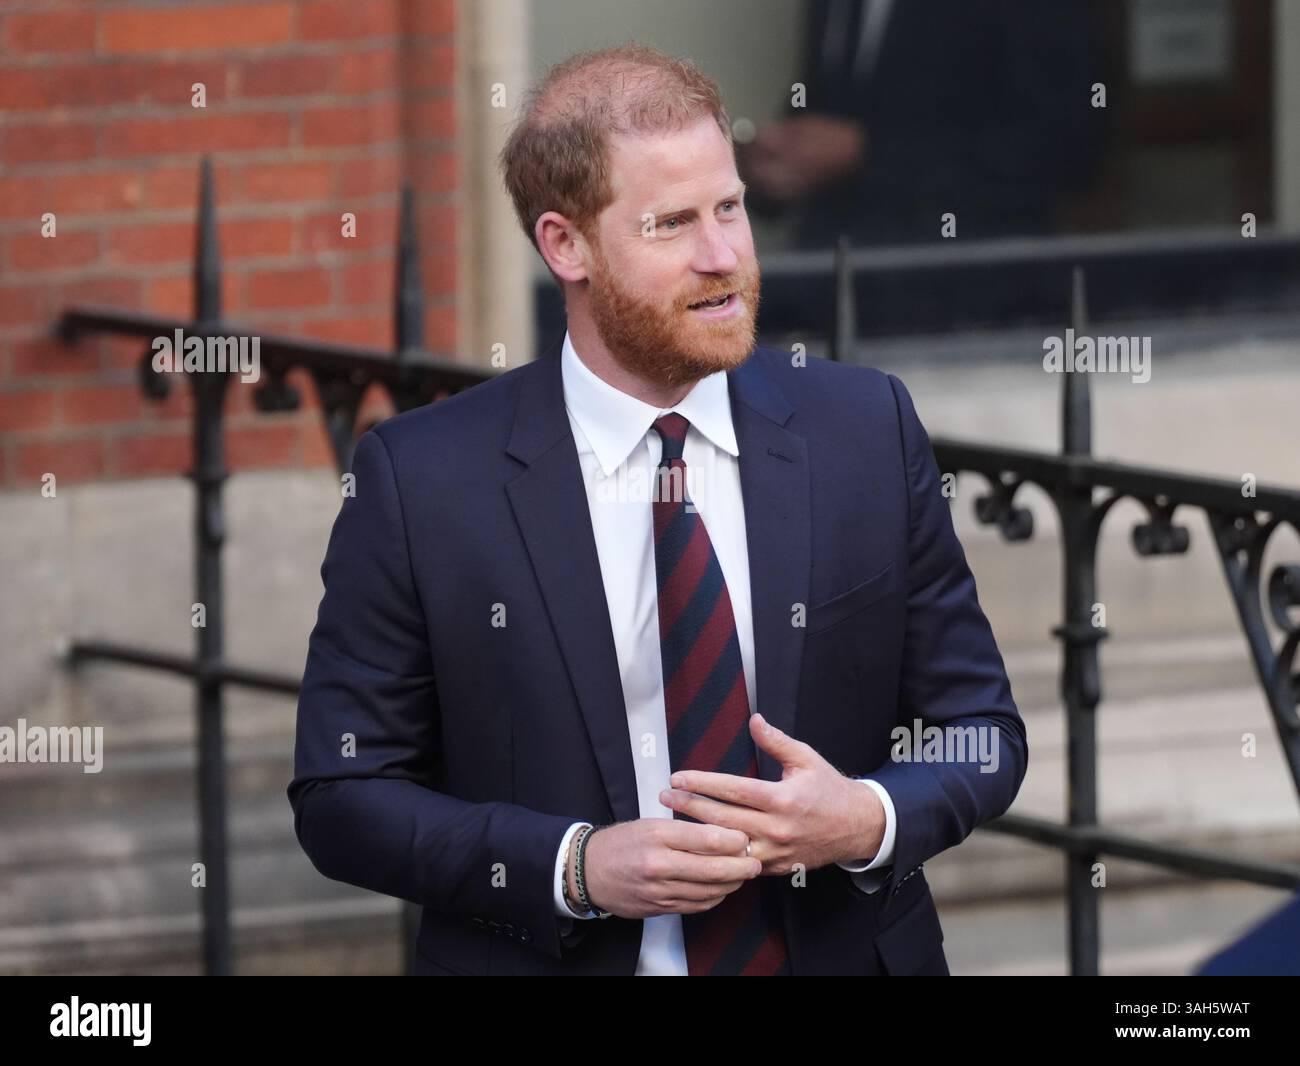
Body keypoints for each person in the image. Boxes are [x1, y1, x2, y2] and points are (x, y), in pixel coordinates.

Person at [288, 42, 1027, 976]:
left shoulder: (865, 431)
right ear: (566, 245)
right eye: (671, 223)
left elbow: (983, 732)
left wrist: (864, 818)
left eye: (731, 208)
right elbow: (342, 793)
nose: (722, 257)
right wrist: (574, 867)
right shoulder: (422, 480)